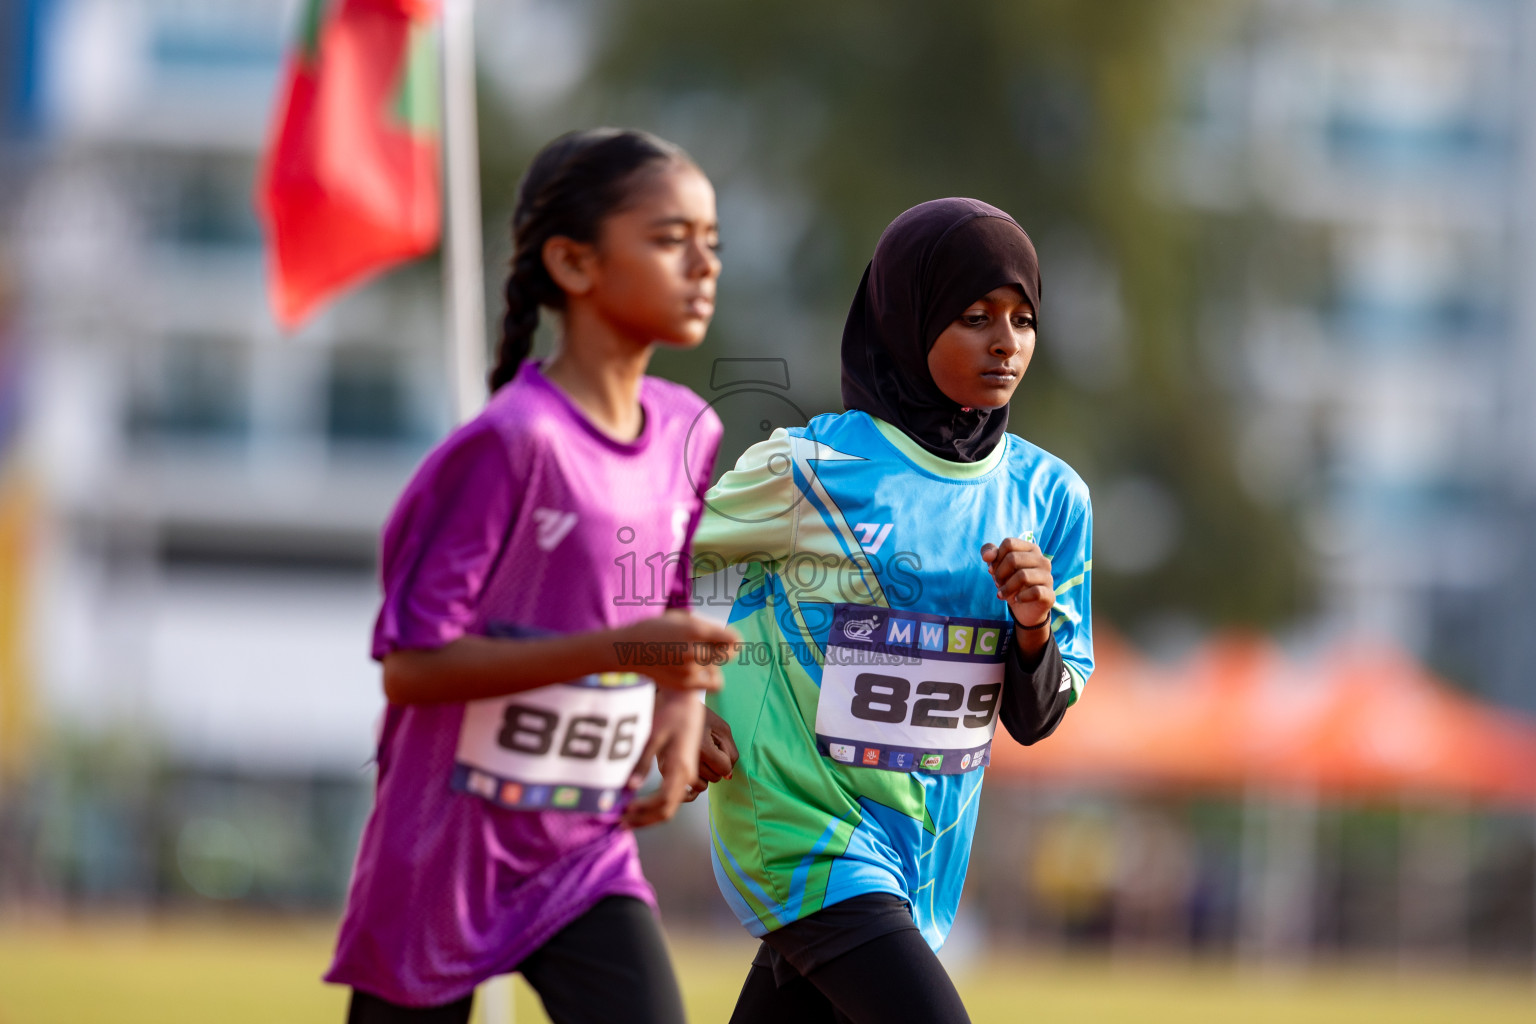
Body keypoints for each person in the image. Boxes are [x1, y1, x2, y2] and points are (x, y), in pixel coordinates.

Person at [326, 128, 739, 1024]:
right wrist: (623, 650)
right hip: (443, 857)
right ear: (574, 263)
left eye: (712, 240)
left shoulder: (690, 432)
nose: (704, 263)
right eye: (671, 239)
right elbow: (413, 666)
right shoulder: (509, 446)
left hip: (580, 855)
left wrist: (681, 709)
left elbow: (661, 608)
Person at [689, 198, 1094, 1023]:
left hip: (918, 852)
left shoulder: (1052, 498)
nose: (1006, 341)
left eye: (1023, 319)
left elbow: (1037, 717)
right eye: (974, 316)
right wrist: (670, 699)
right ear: (906, 320)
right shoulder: (813, 468)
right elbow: (637, 571)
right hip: (800, 826)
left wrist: (1031, 627)